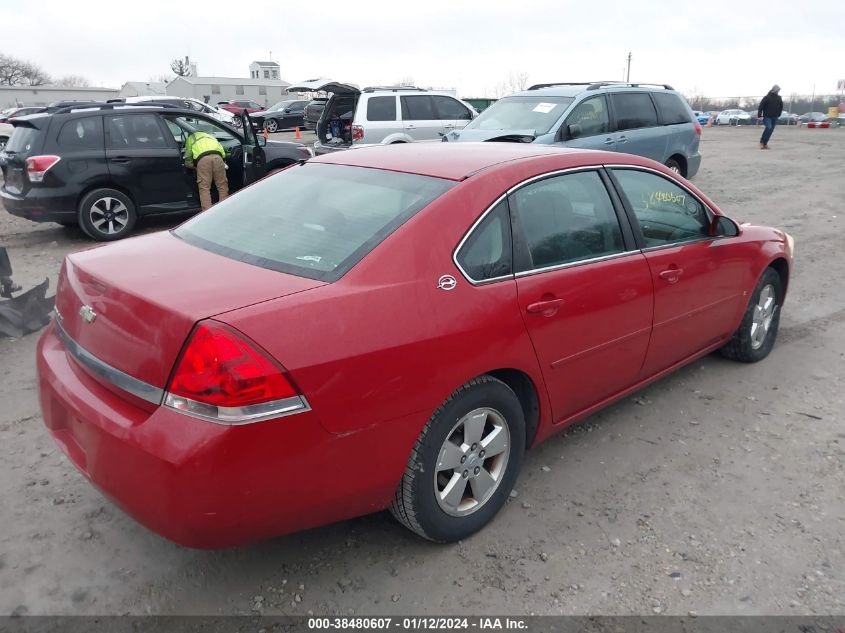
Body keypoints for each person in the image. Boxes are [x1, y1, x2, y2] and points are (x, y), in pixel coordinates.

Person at [183, 130, 228, 210]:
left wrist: (192, 166)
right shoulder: (210, 136)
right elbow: (222, 152)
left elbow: (188, 156)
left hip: (203, 160)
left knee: (204, 188)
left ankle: (207, 212)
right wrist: (223, 162)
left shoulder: (191, 138)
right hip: (218, 158)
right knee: (222, 186)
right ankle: (224, 209)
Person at [757, 85, 783, 149]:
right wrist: (759, 115)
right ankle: (761, 142)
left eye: (778, 90)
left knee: (771, 130)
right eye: (777, 90)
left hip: (775, 116)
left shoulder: (779, 98)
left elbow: (781, 106)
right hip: (767, 116)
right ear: (774, 90)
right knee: (769, 127)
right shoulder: (767, 97)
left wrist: (779, 113)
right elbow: (761, 106)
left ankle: (765, 144)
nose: (778, 91)